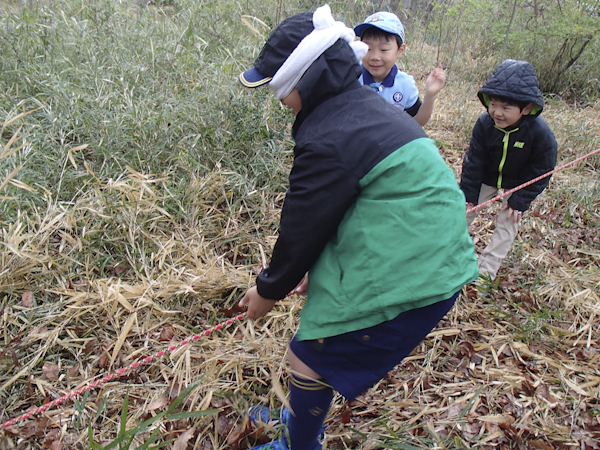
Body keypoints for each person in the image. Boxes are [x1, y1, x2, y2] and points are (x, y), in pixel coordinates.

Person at [237, 5, 478, 450]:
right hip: (424, 245)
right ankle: (301, 422)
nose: (278, 98)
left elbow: (303, 224)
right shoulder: (362, 107)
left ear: (304, 80)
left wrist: (269, 289)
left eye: (279, 86)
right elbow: (350, 207)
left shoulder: (329, 136)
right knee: (314, 353)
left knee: (308, 360)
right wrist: (315, 271)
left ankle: (299, 442)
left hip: (416, 268)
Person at [460, 59, 558, 280]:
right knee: (461, 211)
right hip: (486, 176)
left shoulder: (540, 134)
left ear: (527, 108)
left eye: (506, 107)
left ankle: (485, 273)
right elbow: (473, 161)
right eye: (493, 104)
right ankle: (442, 252)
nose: (497, 112)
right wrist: (469, 194)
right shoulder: (485, 124)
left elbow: (542, 170)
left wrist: (520, 200)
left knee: (508, 223)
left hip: (519, 182)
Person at [354, 11, 445, 126]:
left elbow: (417, 123)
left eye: (384, 49)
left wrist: (430, 95)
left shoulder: (405, 85)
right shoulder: (351, 77)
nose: (375, 57)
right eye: (368, 48)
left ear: (400, 50)